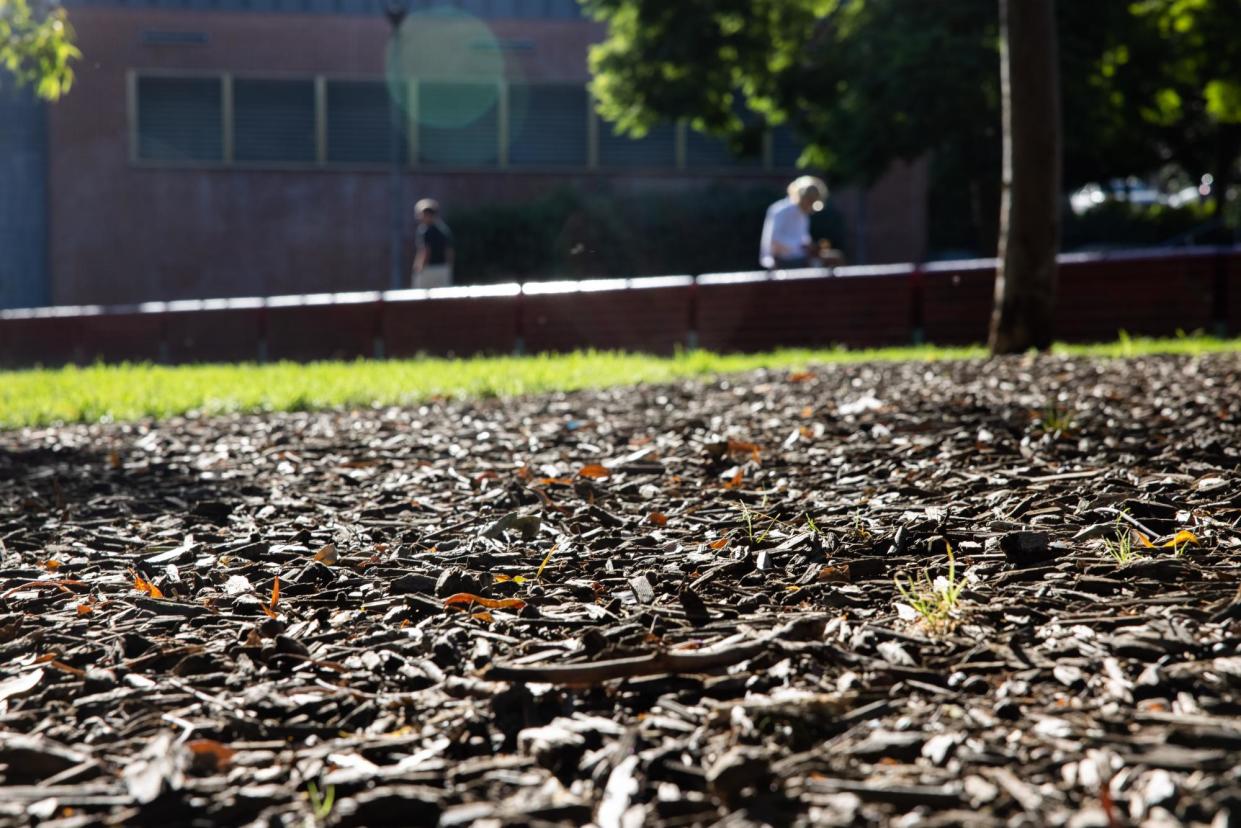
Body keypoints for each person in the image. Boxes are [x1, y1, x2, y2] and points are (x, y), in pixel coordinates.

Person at [759, 175, 843, 270]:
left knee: (835, 258)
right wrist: (801, 247)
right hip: (781, 261)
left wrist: (813, 247)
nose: (811, 207)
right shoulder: (780, 211)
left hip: (800, 258)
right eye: (810, 201)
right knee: (814, 265)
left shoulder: (803, 215)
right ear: (802, 197)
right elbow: (775, 242)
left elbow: (803, 239)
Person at [411, 198, 454, 289]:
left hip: (428, 269)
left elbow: (425, 251)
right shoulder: (444, 230)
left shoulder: (425, 230)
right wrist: (448, 268)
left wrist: (419, 268)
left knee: (423, 299)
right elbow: (449, 251)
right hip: (443, 268)